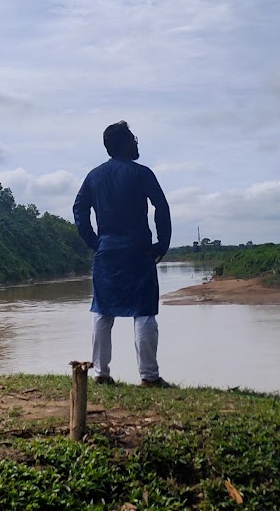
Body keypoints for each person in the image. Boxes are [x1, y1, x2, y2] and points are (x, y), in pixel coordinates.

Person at [72, 120, 172, 387]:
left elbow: (79, 209)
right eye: (132, 138)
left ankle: (100, 374)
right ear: (124, 144)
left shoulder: (94, 176)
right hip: (139, 251)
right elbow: (161, 207)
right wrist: (163, 243)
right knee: (144, 312)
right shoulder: (142, 173)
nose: (136, 142)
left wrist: (94, 242)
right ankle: (149, 376)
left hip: (107, 252)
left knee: (103, 311)